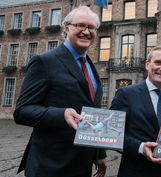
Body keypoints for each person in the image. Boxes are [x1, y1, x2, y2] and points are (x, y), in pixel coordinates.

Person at [13, 6, 107, 177]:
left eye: (91, 27)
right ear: (66, 28)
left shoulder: (91, 67)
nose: (86, 31)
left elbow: (93, 112)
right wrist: (61, 114)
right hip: (50, 165)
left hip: (82, 164)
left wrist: (99, 154)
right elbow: (22, 112)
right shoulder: (44, 61)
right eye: (80, 25)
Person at [110, 46, 161, 177]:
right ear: (147, 65)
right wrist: (141, 147)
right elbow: (111, 134)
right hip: (137, 171)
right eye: (158, 62)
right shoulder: (126, 94)